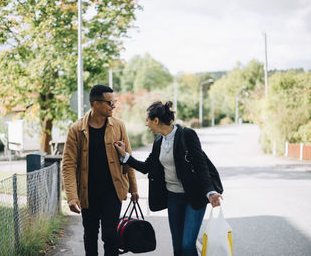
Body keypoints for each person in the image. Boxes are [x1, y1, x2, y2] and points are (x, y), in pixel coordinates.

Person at [114, 101, 222, 256]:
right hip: (173, 198)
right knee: (177, 246)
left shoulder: (187, 135)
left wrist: (210, 192)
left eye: (148, 120)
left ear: (156, 120)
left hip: (194, 197)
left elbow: (201, 166)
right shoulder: (158, 141)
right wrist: (125, 156)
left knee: (187, 245)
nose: (147, 125)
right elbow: (147, 167)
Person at [62, 85, 139, 256]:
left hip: (112, 191)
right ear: (96, 104)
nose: (113, 106)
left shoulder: (118, 126)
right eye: (110, 102)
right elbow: (68, 165)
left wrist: (133, 188)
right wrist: (72, 196)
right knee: (90, 235)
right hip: (87, 193)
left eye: (114, 102)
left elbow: (128, 157)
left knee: (110, 236)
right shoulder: (76, 129)